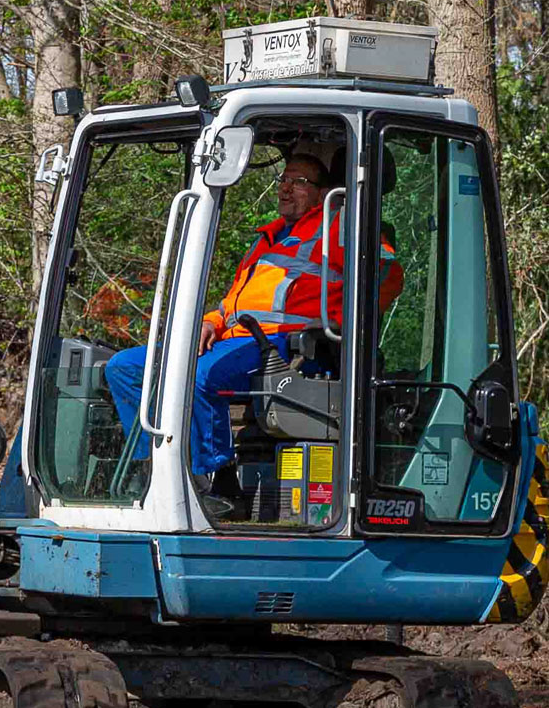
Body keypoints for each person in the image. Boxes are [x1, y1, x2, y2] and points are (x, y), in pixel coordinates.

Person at [103, 153, 403, 492]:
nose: (286, 189)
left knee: (202, 376)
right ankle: (153, 471)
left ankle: (213, 480)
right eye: (284, 180)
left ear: (322, 194)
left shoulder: (339, 224)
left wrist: (346, 324)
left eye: (299, 182)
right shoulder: (267, 238)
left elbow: (388, 274)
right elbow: (233, 301)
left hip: (287, 344)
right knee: (123, 367)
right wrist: (211, 322)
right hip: (233, 338)